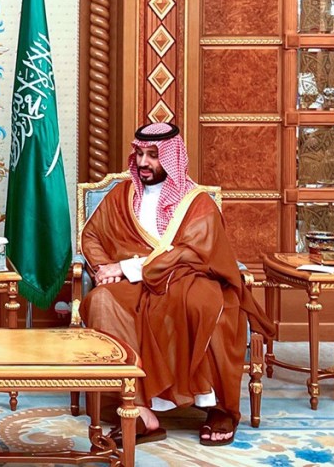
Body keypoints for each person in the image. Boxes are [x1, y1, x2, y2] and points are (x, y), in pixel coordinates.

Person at [79, 122, 274, 447]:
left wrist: (123, 267)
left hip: (188, 279)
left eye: (153, 155)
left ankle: (218, 408)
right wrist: (102, 268)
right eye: (140, 154)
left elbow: (192, 254)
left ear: (172, 157)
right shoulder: (121, 195)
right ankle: (139, 411)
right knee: (100, 300)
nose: (143, 162)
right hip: (137, 285)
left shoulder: (198, 203)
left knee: (205, 306)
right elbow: (92, 236)